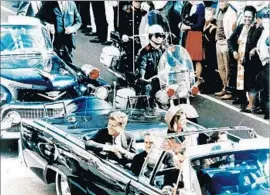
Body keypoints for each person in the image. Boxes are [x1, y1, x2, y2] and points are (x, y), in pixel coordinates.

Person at [228, 5, 263, 113]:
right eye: (245, 16)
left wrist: (254, 49)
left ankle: (251, 104)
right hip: (239, 59)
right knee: (242, 82)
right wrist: (233, 51)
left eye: (249, 17)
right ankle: (247, 102)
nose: (247, 19)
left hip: (251, 60)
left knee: (250, 83)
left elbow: (257, 43)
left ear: (253, 17)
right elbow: (230, 40)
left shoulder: (256, 29)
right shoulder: (240, 27)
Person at [136, 24, 166, 108]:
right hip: (149, 80)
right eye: (157, 35)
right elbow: (142, 65)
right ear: (150, 36)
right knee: (148, 89)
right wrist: (142, 76)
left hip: (163, 80)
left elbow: (172, 60)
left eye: (162, 35)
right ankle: (146, 110)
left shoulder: (164, 49)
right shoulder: (145, 51)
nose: (160, 38)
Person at [179, 1, 205, 88]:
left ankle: (198, 81)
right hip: (191, 34)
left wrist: (187, 27)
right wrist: (182, 24)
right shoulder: (192, 6)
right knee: (190, 58)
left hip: (196, 34)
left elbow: (200, 24)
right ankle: (192, 80)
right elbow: (190, 19)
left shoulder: (200, 7)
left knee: (197, 59)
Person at [215, 1, 237, 100]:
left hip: (226, 41)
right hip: (219, 41)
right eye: (219, 1)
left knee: (228, 68)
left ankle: (229, 90)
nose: (220, 3)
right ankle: (224, 87)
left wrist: (229, 42)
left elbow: (232, 30)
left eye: (223, 1)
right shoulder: (219, 11)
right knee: (221, 67)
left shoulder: (232, 12)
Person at [202, 7, 222, 94]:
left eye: (209, 15)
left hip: (212, 50)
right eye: (206, 14)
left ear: (213, 16)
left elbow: (213, 39)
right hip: (206, 49)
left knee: (211, 68)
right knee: (207, 68)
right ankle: (207, 85)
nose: (207, 16)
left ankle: (211, 87)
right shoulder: (205, 23)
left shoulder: (214, 26)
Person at [256, 7, 269, 119]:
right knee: (264, 88)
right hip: (263, 62)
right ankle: (265, 110)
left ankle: (268, 112)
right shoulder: (264, 31)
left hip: (268, 62)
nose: (265, 22)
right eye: (264, 19)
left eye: (267, 19)